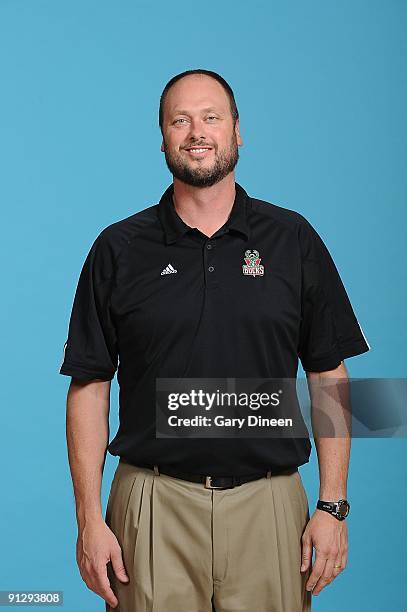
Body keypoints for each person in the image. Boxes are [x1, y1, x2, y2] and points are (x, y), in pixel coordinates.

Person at [60, 69, 370, 611]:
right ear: (162, 136)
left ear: (236, 130)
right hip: (151, 508)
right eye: (180, 120)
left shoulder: (293, 239)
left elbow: (328, 375)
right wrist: (89, 518)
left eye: (210, 117)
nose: (196, 132)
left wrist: (334, 505)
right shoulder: (118, 249)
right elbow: (90, 385)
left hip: (270, 506)